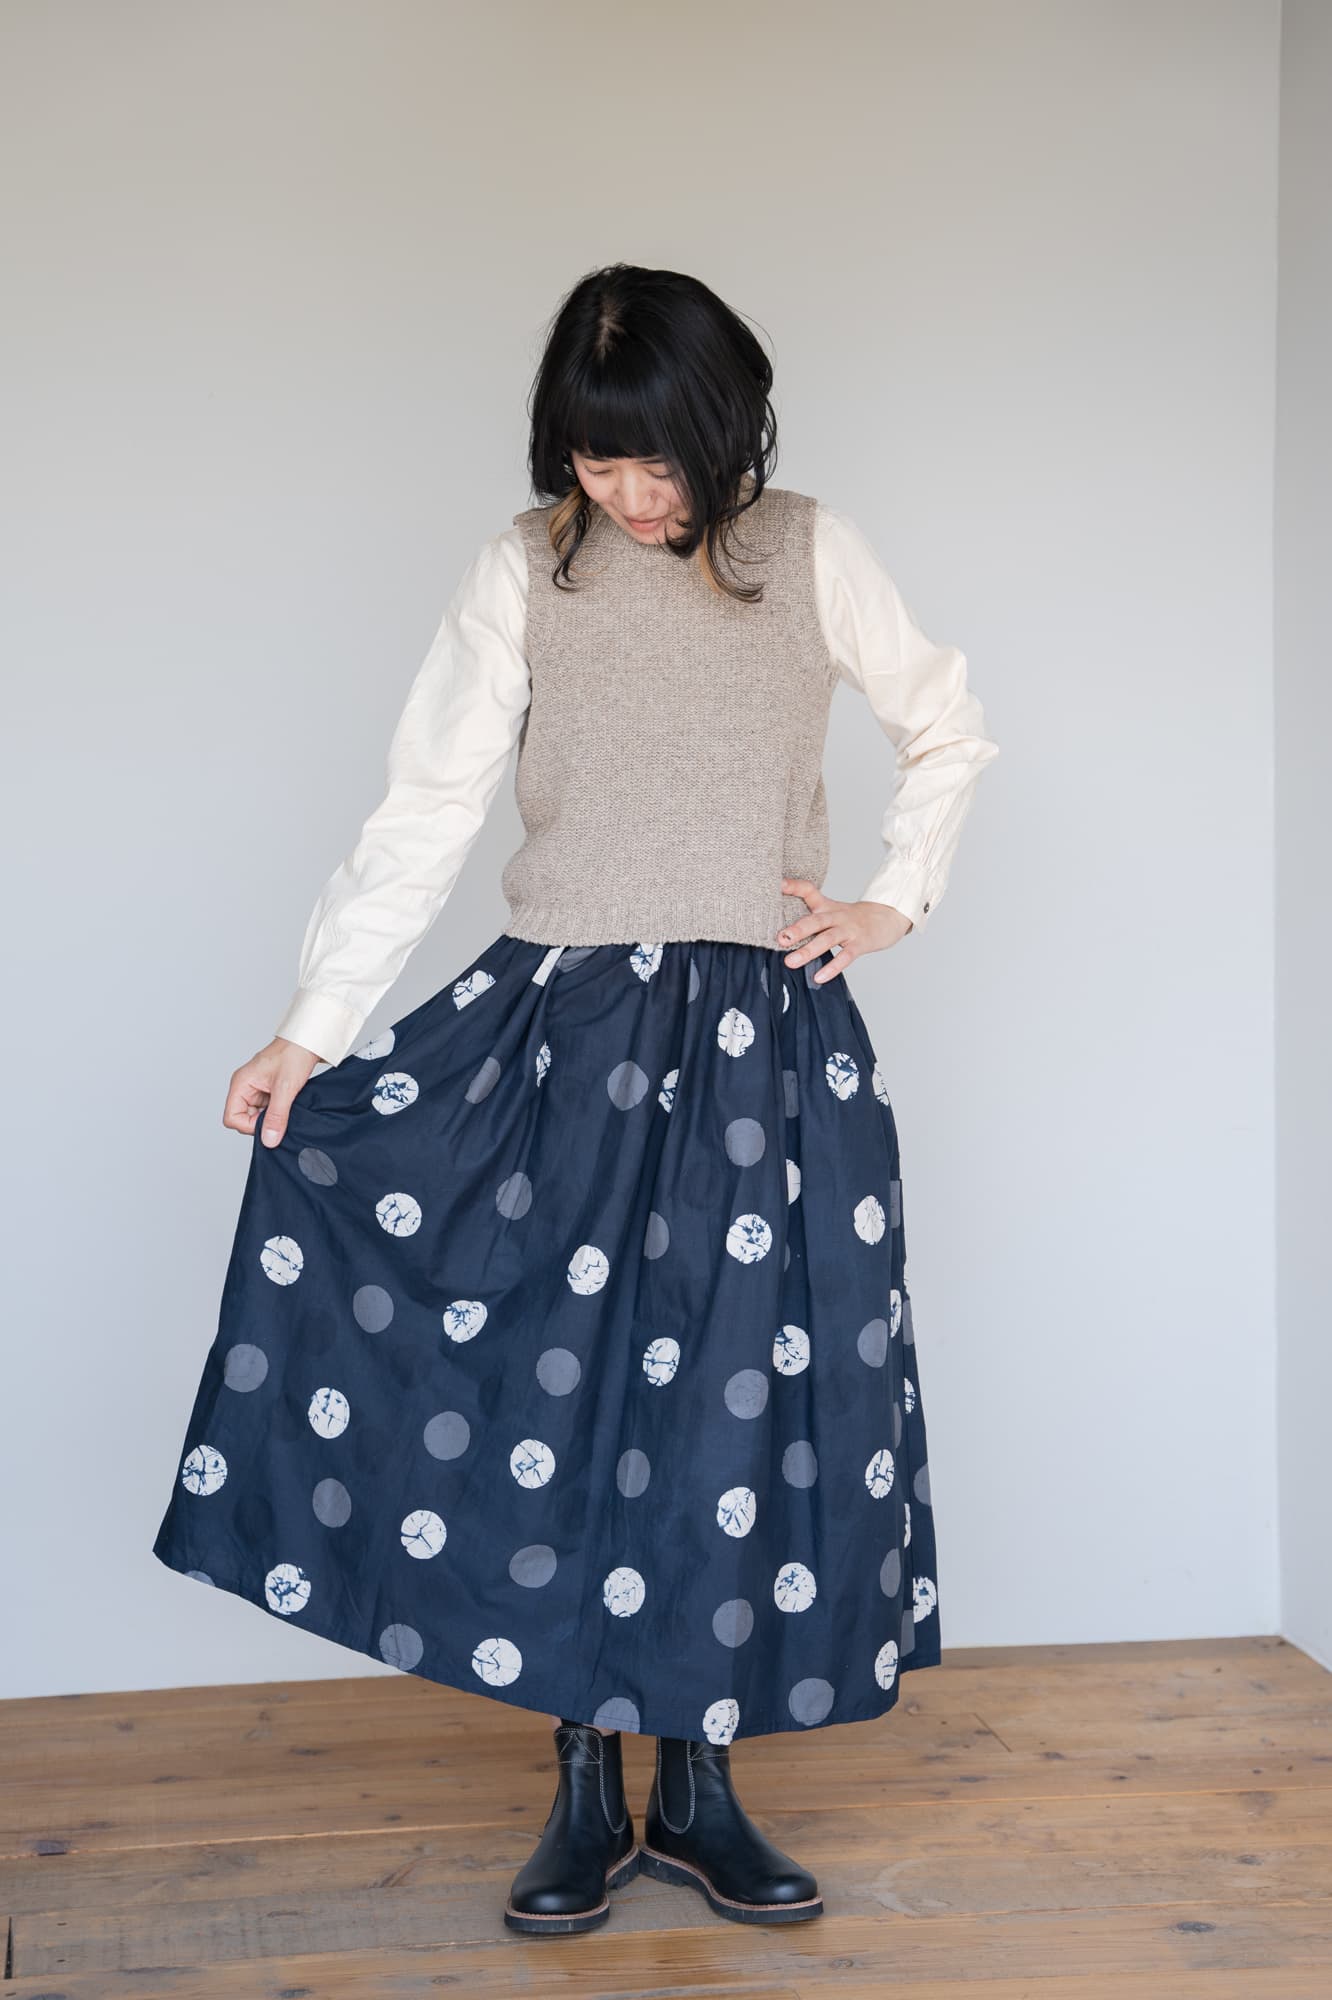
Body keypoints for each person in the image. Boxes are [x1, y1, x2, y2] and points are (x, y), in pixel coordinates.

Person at [152, 261, 1000, 1937]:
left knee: (731, 1409)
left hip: (761, 1051)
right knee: (559, 1401)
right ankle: (583, 1787)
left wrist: (892, 901)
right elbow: (427, 808)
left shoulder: (809, 551)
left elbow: (949, 725)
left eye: (656, 460)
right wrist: (311, 1030)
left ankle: (701, 1787)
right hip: (565, 1034)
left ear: (727, 426)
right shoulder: (521, 570)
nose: (628, 493)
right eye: (598, 460)